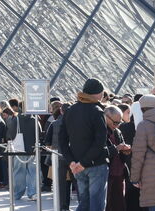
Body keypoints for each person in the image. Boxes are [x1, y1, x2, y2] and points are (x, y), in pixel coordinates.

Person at [59, 79, 110, 211]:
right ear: (98, 93)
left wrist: (72, 162)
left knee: (84, 202)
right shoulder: (97, 111)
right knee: (96, 203)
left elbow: (62, 139)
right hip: (95, 164)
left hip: (76, 164)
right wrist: (84, 162)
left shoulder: (70, 110)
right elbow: (100, 141)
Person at [6, 100, 39, 202]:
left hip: (19, 149)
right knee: (33, 172)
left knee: (19, 172)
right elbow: (39, 133)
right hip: (33, 149)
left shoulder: (16, 119)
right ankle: (33, 193)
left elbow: (11, 134)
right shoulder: (35, 119)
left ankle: (17, 193)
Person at [104, 106, 130, 211]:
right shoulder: (100, 131)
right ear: (105, 117)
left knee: (119, 202)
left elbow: (121, 145)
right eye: (115, 122)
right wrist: (118, 148)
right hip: (106, 171)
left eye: (119, 122)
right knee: (106, 202)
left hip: (119, 172)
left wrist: (125, 150)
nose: (117, 125)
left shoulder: (117, 131)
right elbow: (100, 151)